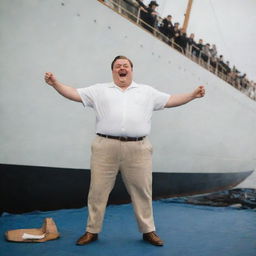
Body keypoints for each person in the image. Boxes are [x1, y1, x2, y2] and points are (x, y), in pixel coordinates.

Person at [44, 55, 205, 246]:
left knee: (143, 191)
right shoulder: (99, 90)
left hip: (138, 148)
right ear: (113, 71)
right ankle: (92, 231)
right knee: (97, 192)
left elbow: (171, 100)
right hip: (105, 147)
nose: (122, 68)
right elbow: (73, 93)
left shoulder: (146, 92)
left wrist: (192, 95)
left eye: (125, 65)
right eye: (118, 66)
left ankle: (148, 231)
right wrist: (55, 84)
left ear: (131, 70)